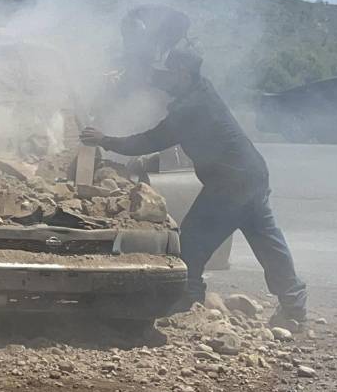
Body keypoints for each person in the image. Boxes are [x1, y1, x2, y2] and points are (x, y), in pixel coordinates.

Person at [81, 46, 307, 328]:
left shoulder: (191, 110)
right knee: (267, 243)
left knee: (190, 243)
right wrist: (134, 72)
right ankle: (294, 308)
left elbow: (150, 140)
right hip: (252, 175)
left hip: (229, 185)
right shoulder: (202, 88)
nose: (166, 79)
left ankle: (188, 302)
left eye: (170, 74)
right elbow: (165, 82)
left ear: (183, 74)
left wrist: (105, 140)